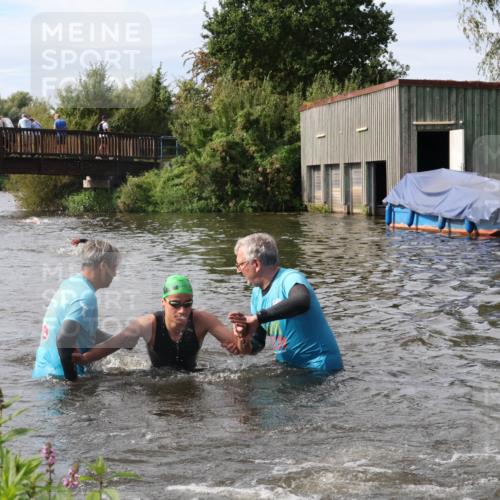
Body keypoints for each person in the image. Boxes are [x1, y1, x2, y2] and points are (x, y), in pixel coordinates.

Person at [73, 274, 246, 372]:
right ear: (163, 302)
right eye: (175, 304)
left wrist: (241, 336)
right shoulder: (148, 324)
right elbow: (114, 344)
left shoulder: (203, 320)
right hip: (157, 377)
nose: (182, 310)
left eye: (188, 304)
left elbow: (239, 349)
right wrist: (83, 359)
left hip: (193, 374)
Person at [228, 232, 343, 373]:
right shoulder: (257, 294)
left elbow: (301, 301)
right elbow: (257, 345)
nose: (239, 271)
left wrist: (258, 317)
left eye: (240, 265)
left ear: (256, 264)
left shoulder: (289, 278)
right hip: (289, 368)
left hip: (319, 367)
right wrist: (243, 337)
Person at [32, 239, 120, 381]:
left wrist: (119, 340)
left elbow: (80, 329)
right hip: (60, 380)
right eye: (114, 267)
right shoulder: (86, 297)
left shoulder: (71, 283)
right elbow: (63, 338)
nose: (115, 274)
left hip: (43, 375)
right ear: (103, 266)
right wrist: (72, 383)